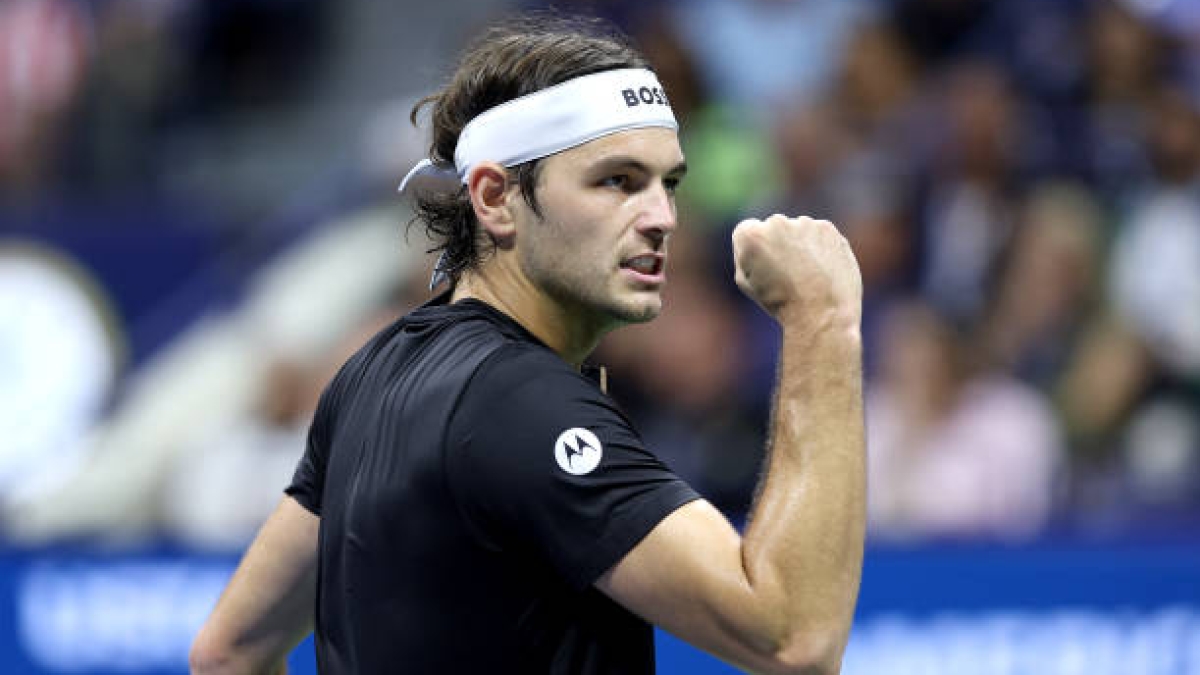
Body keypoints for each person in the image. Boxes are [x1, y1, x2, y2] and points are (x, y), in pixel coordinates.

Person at [189, 14, 866, 675]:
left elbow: (227, 651)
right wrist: (821, 320)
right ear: (494, 197)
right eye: (617, 181)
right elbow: (794, 640)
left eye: (669, 184)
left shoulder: (373, 368)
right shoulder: (519, 402)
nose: (661, 217)